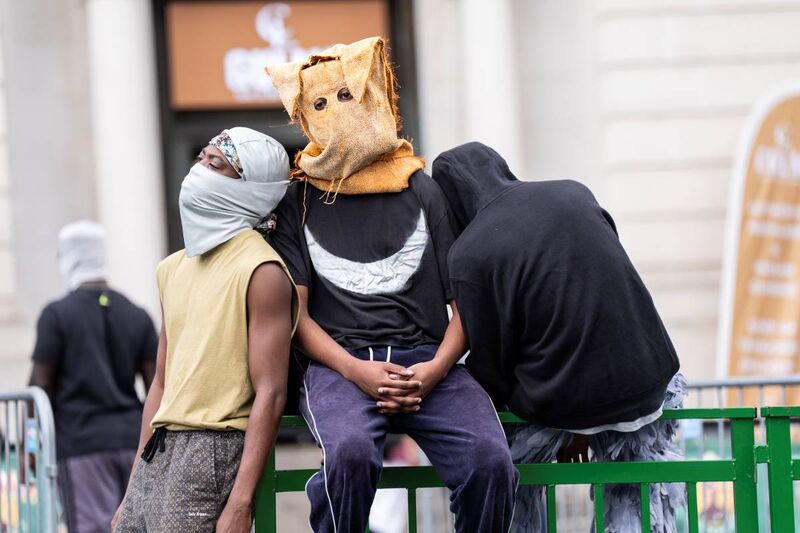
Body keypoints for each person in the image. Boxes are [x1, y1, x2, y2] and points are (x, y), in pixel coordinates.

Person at [266, 37, 518, 533]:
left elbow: (464, 304)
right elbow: (296, 316)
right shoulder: (297, 201)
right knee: (352, 457)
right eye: (321, 102)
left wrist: (436, 367)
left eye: (350, 96)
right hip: (340, 366)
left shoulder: (422, 187)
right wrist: (356, 370)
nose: (340, 112)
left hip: (429, 360)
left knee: (491, 462)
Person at [431, 142, 686, 532]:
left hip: (565, 396)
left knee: (507, 479)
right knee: (637, 492)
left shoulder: (469, 253)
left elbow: (492, 367)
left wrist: (572, 421)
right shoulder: (573, 191)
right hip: (651, 375)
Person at [112, 127, 299, 532]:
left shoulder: (261, 270)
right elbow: (160, 383)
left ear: (251, 189)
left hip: (211, 447)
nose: (198, 171)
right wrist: (132, 489)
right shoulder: (172, 267)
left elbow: (271, 390)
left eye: (216, 164)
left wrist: (241, 502)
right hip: (159, 446)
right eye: (200, 159)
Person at [28, 220, 158, 533]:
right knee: (135, 526)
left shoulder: (56, 315)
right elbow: (158, 383)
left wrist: (30, 447)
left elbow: (39, 386)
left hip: (81, 446)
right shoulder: (136, 313)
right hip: (132, 442)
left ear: (68, 257)